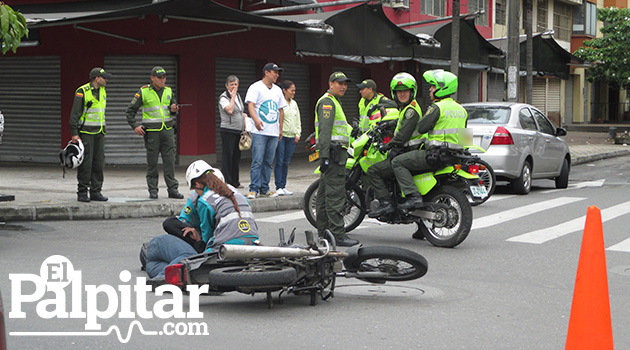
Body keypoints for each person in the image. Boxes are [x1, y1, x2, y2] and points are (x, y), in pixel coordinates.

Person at [145, 160, 259, 280]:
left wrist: (199, 241)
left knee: (195, 259)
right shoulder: (235, 192)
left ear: (198, 185)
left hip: (225, 248)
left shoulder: (205, 200)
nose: (195, 193)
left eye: (195, 189)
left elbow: (207, 236)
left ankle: (163, 277)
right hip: (252, 243)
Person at [392, 69, 468, 211]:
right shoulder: (461, 109)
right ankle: (422, 227)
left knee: (397, 162)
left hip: (436, 155)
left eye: (433, 87)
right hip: (455, 157)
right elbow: (465, 136)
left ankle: (412, 196)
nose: (430, 90)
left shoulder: (437, 107)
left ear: (442, 88)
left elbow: (421, 128)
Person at [368, 72, 424, 217]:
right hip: (409, 151)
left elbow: (402, 136)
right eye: (399, 92)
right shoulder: (406, 108)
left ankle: (387, 204)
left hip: (408, 151)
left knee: (374, 170)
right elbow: (401, 123)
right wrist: (386, 124)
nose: (402, 94)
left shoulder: (411, 110)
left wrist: (386, 145)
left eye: (405, 91)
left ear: (412, 92)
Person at [314, 72, 359, 247]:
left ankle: (324, 232)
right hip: (333, 156)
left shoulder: (334, 102)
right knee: (335, 196)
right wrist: (324, 156)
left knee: (324, 195)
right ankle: (337, 235)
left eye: (345, 84)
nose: (343, 87)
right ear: (330, 84)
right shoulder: (328, 102)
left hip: (334, 155)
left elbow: (338, 128)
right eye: (339, 83)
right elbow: (325, 131)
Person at [126, 66, 183, 200]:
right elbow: (130, 111)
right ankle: (153, 189)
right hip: (152, 133)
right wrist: (135, 126)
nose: (162, 80)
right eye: (159, 78)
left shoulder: (169, 90)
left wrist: (174, 109)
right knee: (152, 162)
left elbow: (172, 108)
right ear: (152, 78)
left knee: (170, 161)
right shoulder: (143, 92)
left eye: (164, 77)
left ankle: (173, 189)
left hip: (167, 131)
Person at [245, 63, 287, 199]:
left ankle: (265, 187)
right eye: (275, 72)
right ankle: (253, 188)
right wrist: (256, 120)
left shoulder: (277, 90)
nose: (277, 75)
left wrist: (280, 128)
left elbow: (281, 110)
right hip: (259, 132)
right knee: (257, 160)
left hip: (273, 132)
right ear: (267, 73)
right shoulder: (255, 87)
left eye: (278, 72)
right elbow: (251, 105)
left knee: (269, 161)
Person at [69, 67, 111, 203]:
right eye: (104, 77)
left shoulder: (103, 91)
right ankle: (82, 192)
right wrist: (74, 134)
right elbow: (75, 115)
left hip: (99, 132)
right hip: (86, 132)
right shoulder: (82, 92)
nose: (106, 80)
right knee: (86, 164)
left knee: (98, 163)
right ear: (96, 78)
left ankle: (95, 191)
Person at [273, 80, 301, 196]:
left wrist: (298, 133)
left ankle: (283, 186)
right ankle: (278, 186)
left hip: (292, 137)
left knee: (286, 162)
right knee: (279, 161)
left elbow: (298, 119)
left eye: (294, 90)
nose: (293, 92)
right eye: (291, 90)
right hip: (282, 136)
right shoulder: (280, 103)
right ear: (284, 91)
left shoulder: (294, 104)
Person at [218, 75, 246, 188]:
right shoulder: (223, 97)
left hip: (238, 130)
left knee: (236, 156)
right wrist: (233, 96)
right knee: (227, 156)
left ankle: (235, 181)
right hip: (228, 130)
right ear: (226, 86)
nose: (233, 87)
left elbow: (239, 110)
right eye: (231, 85)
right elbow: (229, 110)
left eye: (235, 84)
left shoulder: (238, 96)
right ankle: (226, 181)